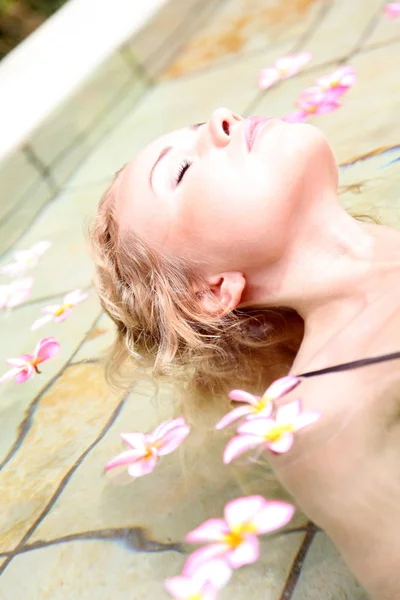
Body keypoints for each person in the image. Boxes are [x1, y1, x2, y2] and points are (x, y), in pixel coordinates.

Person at [89, 108, 400, 600]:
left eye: (197, 128)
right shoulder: (324, 419)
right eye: (182, 171)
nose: (221, 118)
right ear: (209, 292)